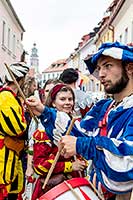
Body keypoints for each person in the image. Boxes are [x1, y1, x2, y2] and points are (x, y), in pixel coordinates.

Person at [59, 41, 133, 200]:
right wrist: (45, 113)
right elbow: (80, 133)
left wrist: (82, 145)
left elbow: (128, 160)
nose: (101, 74)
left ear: (130, 68)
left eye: (107, 66)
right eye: (99, 68)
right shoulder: (104, 107)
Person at [27, 83, 87, 200]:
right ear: (53, 102)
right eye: (62, 99)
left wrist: (82, 161)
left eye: (70, 99)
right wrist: (70, 166)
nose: (67, 102)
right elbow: (39, 166)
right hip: (54, 188)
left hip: (75, 182)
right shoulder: (44, 130)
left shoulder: (77, 125)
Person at [0, 62, 29, 200]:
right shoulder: (5, 97)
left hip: (13, 152)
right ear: (20, 80)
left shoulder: (12, 97)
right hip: (5, 153)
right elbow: (16, 128)